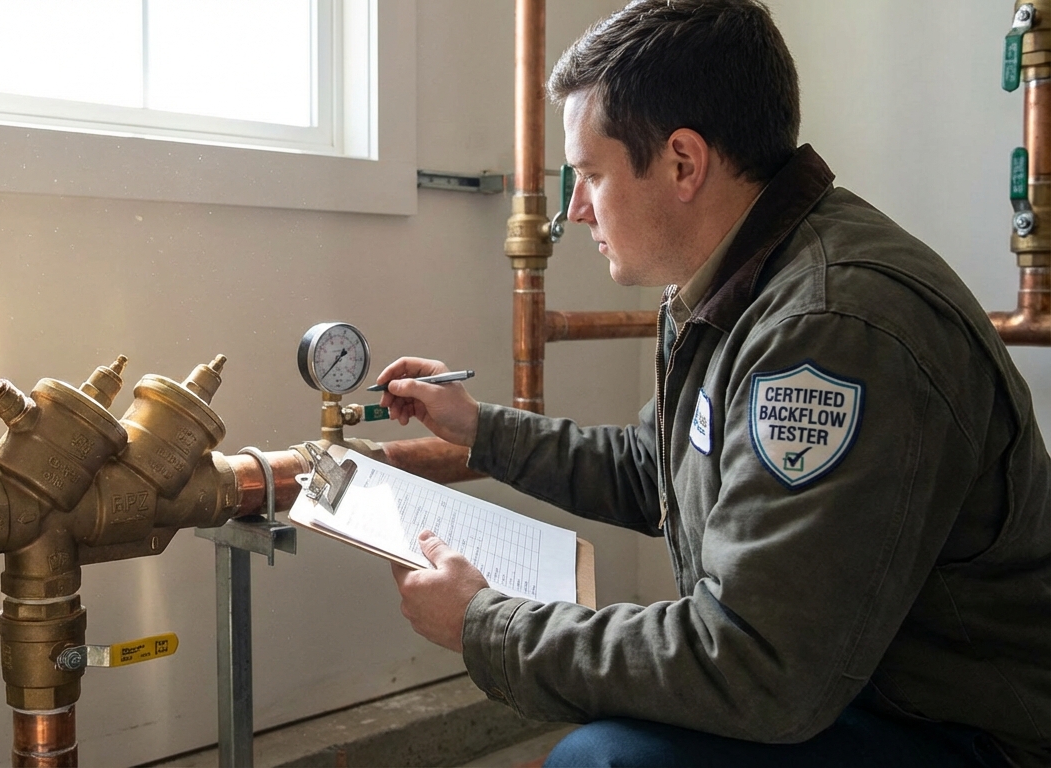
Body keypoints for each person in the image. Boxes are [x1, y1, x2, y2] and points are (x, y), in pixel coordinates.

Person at [374, 1, 1051, 766]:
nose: (575, 208)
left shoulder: (831, 329)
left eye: (590, 174)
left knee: (603, 762)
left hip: (963, 730)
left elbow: (753, 663)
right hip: (856, 683)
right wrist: (479, 428)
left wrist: (484, 622)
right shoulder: (736, 282)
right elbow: (653, 465)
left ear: (683, 163)